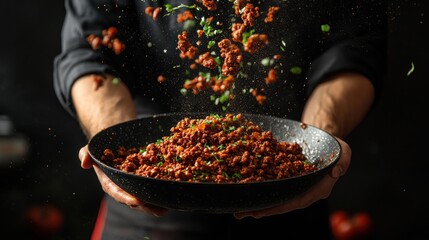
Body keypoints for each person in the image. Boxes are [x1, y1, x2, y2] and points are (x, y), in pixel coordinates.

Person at [53, 0, 387, 239]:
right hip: (147, 205)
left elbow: (353, 46)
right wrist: (118, 147)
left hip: (289, 195)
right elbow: (88, 51)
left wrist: (316, 145)